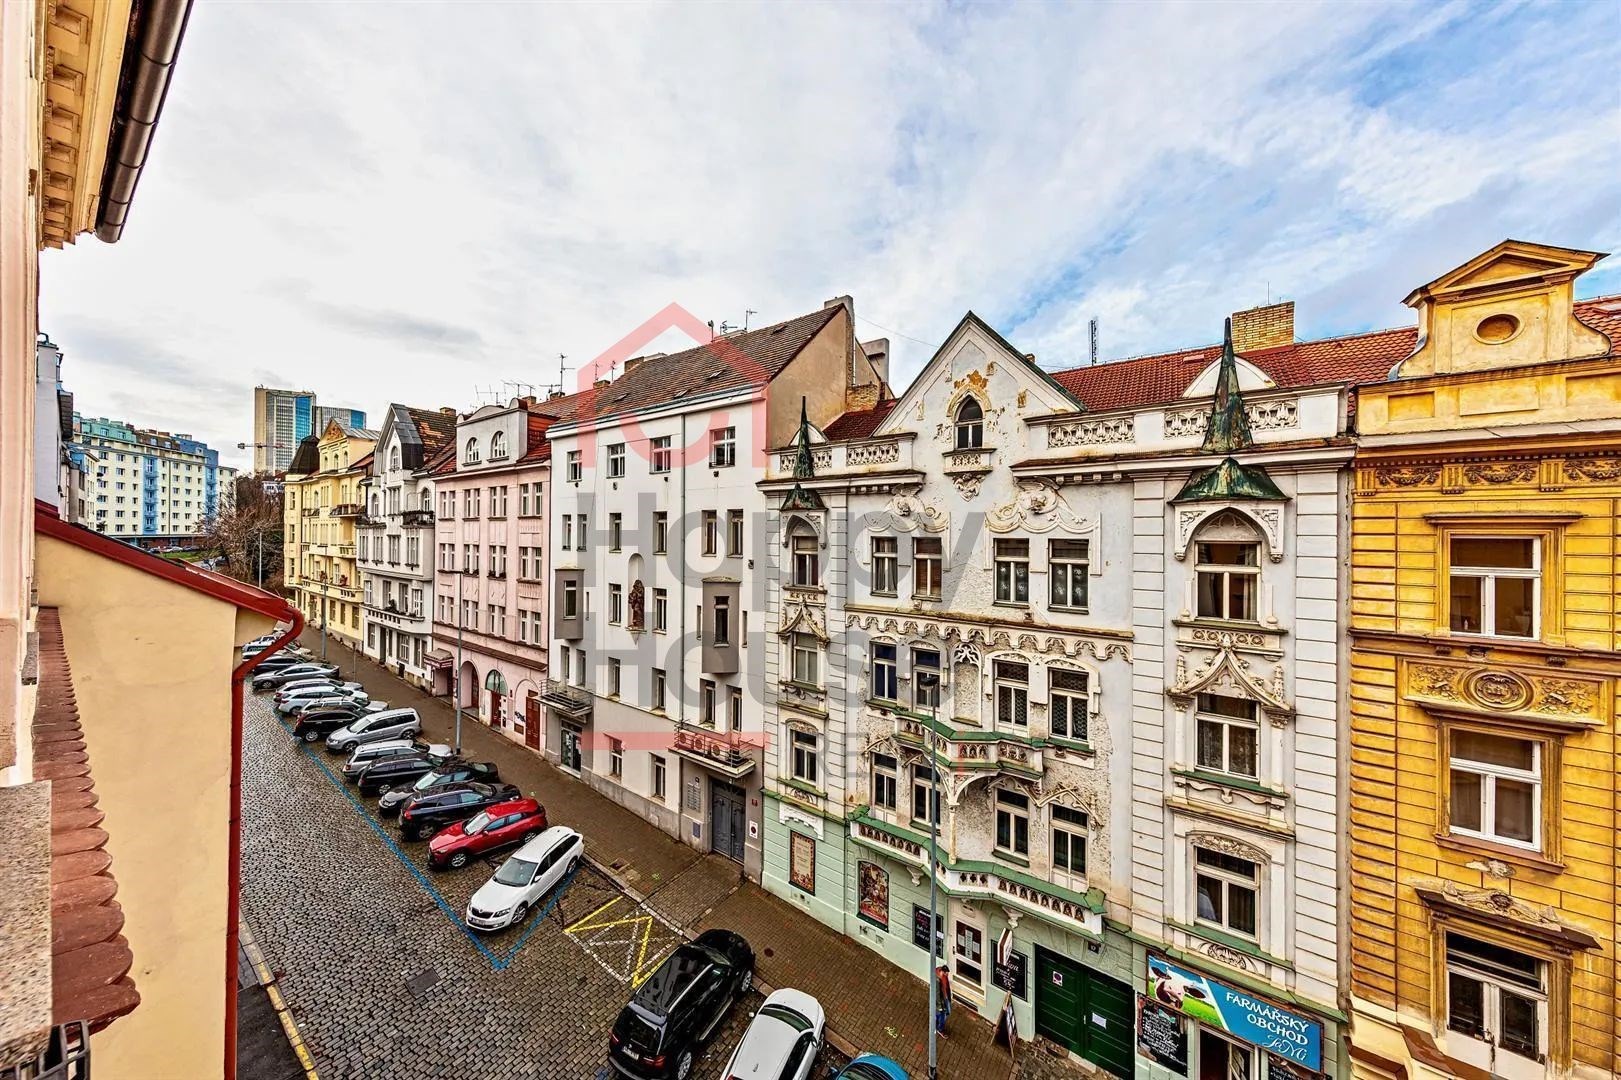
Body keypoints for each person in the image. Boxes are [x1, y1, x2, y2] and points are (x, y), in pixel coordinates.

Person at [934, 965, 952, 1036]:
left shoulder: (944, 977)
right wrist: (940, 1006)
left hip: (945, 997)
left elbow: (947, 987)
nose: (947, 974)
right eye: (946, 973)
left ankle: (936, 1022)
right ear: (943, 972)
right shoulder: (937, 980)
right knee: (943, 1015)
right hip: (941, 1000)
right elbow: (937, 994)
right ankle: (940, 1029)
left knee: (946, 1012)